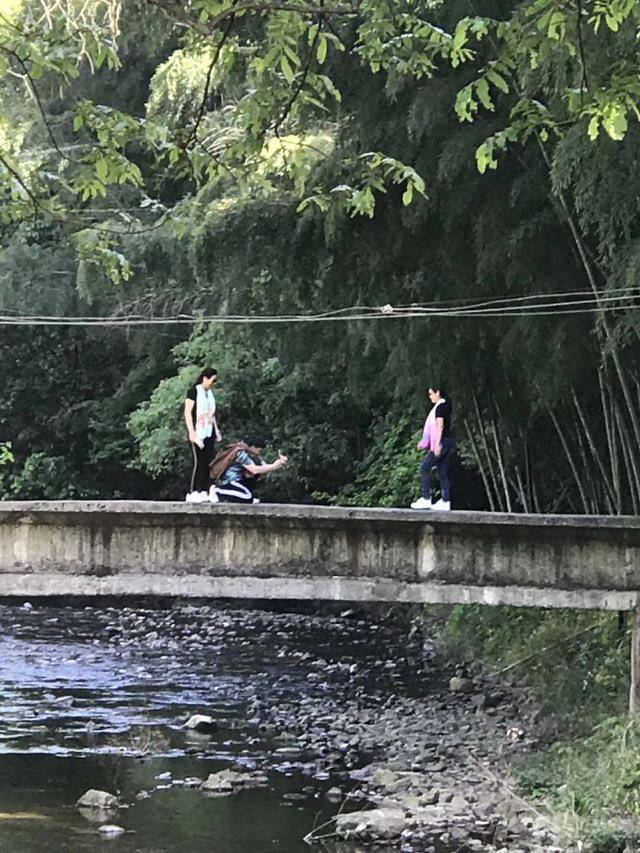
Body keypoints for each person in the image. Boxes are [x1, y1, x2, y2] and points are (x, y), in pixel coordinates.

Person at [411, 384, 455, 511]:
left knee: (424, 467)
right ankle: (446, 501)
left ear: (438, 392)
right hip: (448, 441)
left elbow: (440, 426)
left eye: (431, 394)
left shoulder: (440, 407)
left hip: (442, 442)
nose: (430, 397)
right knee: (442, 471)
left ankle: (426, 498)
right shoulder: (446, 405)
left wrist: (437, 444)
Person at [211, 435, 287, 503]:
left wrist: (279, 464)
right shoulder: (240, 453)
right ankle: (218, 491)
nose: (259, 453)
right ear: (253, 447)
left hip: (240, 481)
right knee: (247, 497)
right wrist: (274, 466)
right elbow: (254, 470)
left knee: (251, 497)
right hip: (230, 481)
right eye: (259, 450)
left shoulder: (252, 454)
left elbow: (264, 466)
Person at [184, 368, 222, 503]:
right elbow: (188, 413)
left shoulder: (210, 394)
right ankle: (193, 490)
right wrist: (191, 432)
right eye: (212, 380)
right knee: (199, 461)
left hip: (209, 429)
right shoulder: (193, 392)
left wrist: (216, 430)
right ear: (205, 378)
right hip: (198, 430)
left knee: (208, 461)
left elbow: (211, 414)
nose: (213, 383)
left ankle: (204, 489)